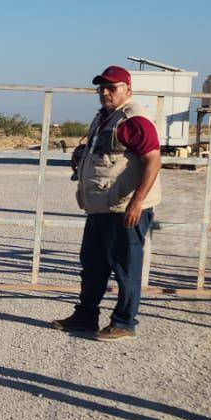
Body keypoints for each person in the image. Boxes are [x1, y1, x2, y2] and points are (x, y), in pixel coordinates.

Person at [53, 64, 162, 340]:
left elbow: (153, 161)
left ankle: (124, 322)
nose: (105, 92)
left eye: (111, 87)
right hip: (101, 206)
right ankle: (85, 317)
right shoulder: (104, 117)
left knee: (126, 268)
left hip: (124, 209)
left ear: (128, 90)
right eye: (101, 88)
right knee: (92, 266)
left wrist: (137, 203)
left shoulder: (134, 120)